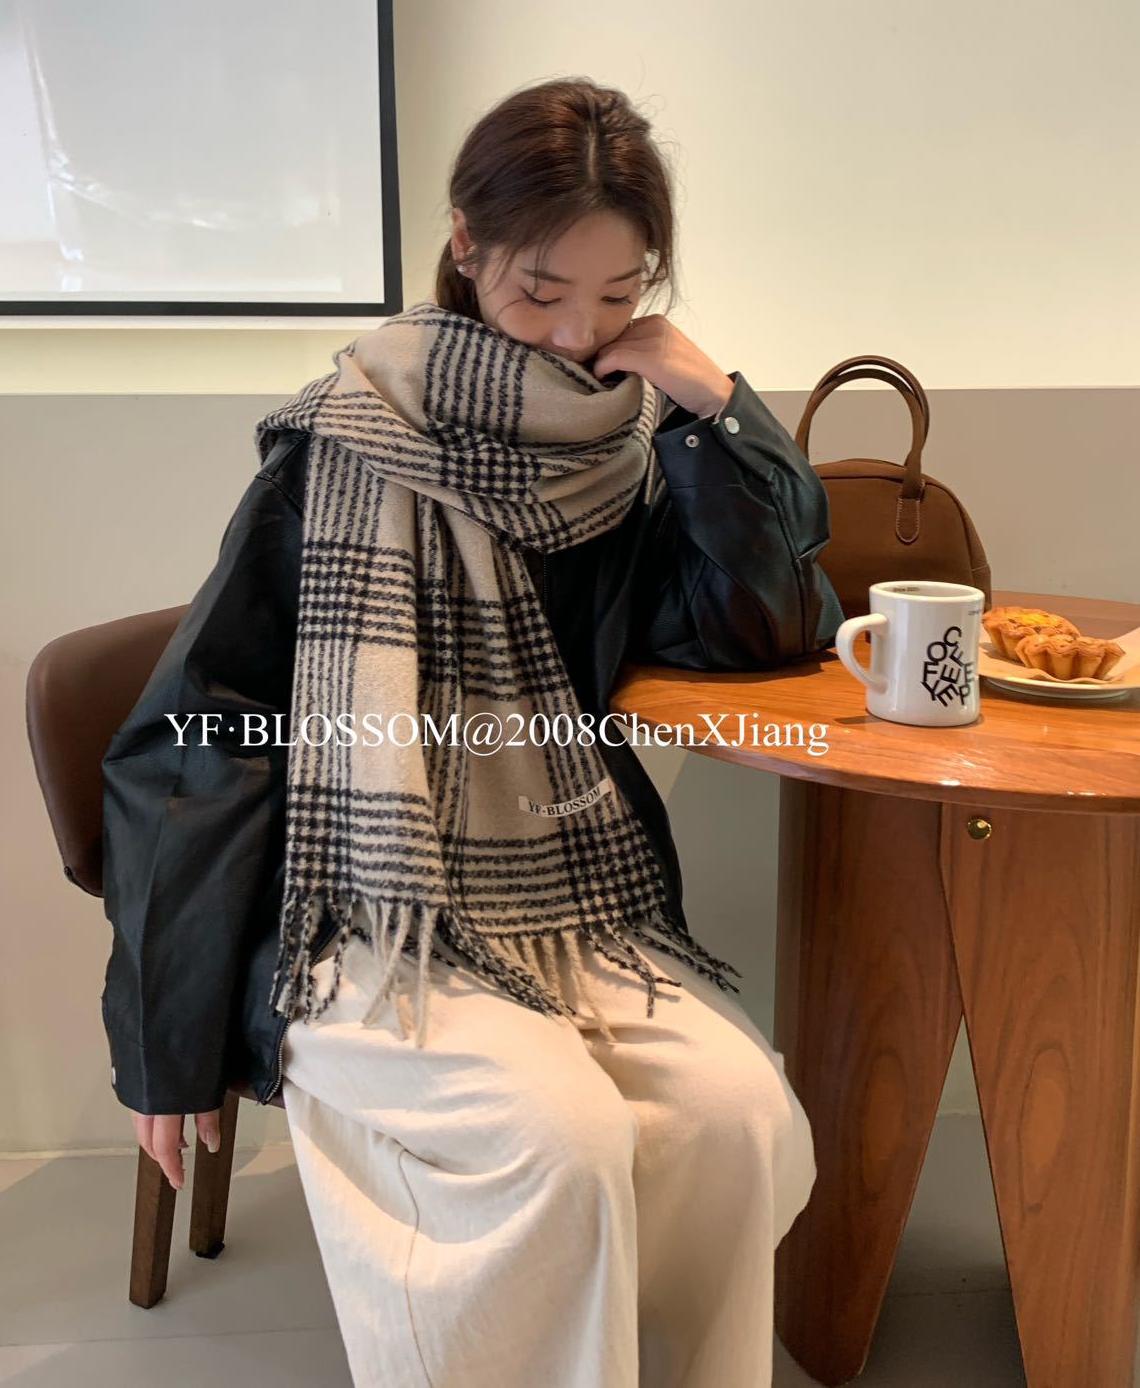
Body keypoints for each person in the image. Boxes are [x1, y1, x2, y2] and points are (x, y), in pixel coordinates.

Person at [100, 77, 845, 1388]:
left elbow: (765, 626)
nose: (578, 333)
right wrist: (170, 1041)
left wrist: (716, 408)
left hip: (567, 896)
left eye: (618, 296)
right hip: (362, 909)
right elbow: (203, 734)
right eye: (543, 290)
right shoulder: (345, 441)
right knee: (558, 1139)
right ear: (465, 240)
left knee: (736, 1114)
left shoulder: (622, 454)